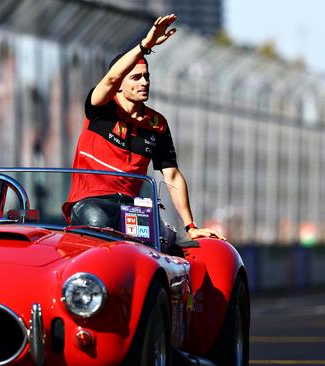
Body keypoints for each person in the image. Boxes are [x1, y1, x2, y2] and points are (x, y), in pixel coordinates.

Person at [63, 14, 225, 241]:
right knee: (99, 227)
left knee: (165, 240)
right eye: (136, 77)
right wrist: (145, 46)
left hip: (132, 207)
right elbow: (110, 79)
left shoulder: (157, 124)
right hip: (92, 203)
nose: (144, 82)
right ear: (120, 85)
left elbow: (172, 176)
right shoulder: (101, 108)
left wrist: (191, 226)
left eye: (146, 77)